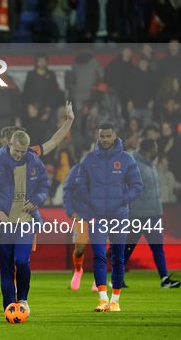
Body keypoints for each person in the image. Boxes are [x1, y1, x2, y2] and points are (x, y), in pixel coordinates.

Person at [0, 131, 49, 316]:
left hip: (25, 222)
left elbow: (44, 186)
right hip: (3, 225)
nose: (19, 155)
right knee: (6, 267)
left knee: (21, 261)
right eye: (17, 151)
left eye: (23, 152)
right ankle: (10, 307)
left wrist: (36, 199)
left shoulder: (34, 162)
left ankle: (23, 298)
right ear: (9, 144)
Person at [76, 123, 143, 312]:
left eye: (108, 136)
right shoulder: (89, 159)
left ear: (115, 136)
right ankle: (103, 299)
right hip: (96, 215)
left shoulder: (126, 159)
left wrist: (122, 200)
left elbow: (137, 185)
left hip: (119, 216)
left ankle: (116, 300)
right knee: (98, 256)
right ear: (98, 137)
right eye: (101, 136)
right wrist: (90, 201)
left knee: (118, 259)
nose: (104, 139)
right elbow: (80, 184)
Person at [125, 139, 180, 288]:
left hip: (154, 214)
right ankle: (116, 278)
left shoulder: (151, 163)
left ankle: (164, 280)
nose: (157, 149)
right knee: (128, 248)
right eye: (156, 147)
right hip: (137, 215)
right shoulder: (132, 163)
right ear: (149, 149)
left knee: (157, 247)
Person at [63, 150, 94, 291]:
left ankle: (98, 280)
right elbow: (67, 190)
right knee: (79, 249)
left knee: (101, 250)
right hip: (81, 216)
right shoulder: (77, 169)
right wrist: (71, 212)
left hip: (100, 216)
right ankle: (78, 270)